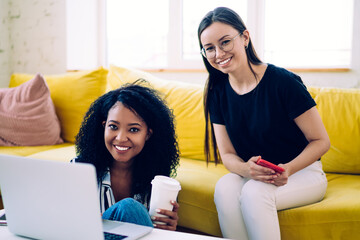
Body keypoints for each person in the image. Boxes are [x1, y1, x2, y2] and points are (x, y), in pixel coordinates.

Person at [198, 7, 330, 240]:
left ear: (245, 38)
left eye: (225, 42)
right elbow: (227, 154)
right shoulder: (217, 91)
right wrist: (245, 169)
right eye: (210, 48)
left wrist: (287, 168)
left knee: (255, 193)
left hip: (303, 173)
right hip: (255, 174)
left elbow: (321, 141)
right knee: (225, 188)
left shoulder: (284, 82)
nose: (218, 53)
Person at [72, 80, 180, 230]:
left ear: (148, 135)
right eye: (113, 127)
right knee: (129, 207)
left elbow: (151, 230)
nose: (121, 138)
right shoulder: (79, 169)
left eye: (134, 130)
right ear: (103, 127)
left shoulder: (158, 180)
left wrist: (168, 228)